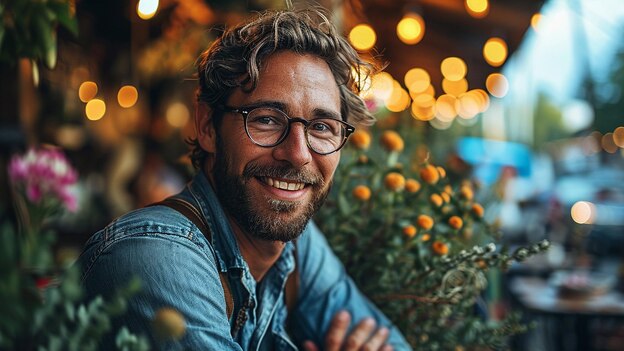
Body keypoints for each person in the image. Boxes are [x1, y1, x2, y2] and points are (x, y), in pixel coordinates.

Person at [77, 7, 411, 351]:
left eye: (322, 127)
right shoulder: (154, 256)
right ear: (207, 127)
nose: (298, 154)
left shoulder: (298, 248)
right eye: (267, 119)